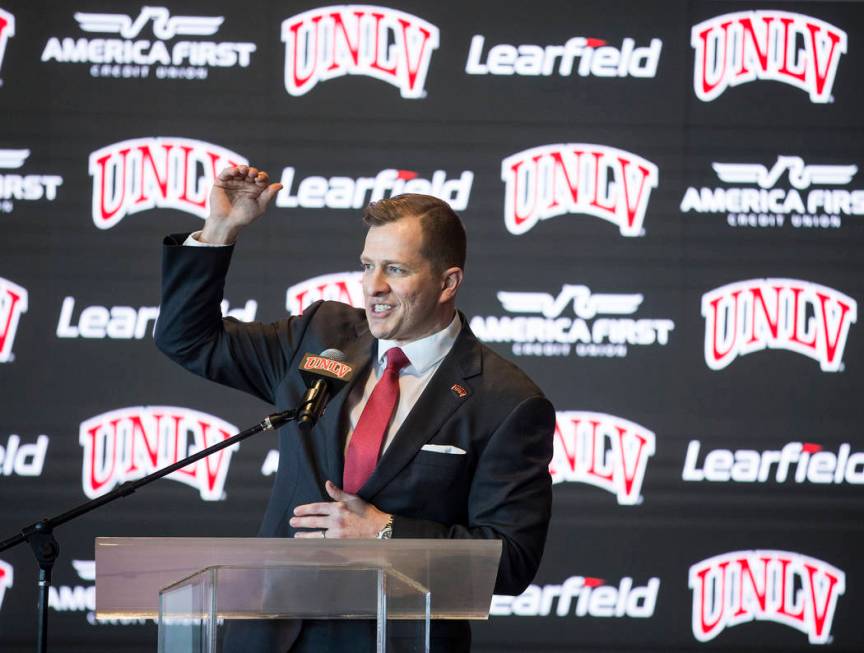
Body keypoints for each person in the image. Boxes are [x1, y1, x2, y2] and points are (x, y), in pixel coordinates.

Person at [154, 165, 555, 652]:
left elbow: (509, 561)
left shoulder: (506, 400)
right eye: (368, 265)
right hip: (270, 636)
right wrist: (219, 231)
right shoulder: (320, 337)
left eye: (397, 269)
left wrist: (385, 531)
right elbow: (188, 340)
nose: (373, 286)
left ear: (448, 282)